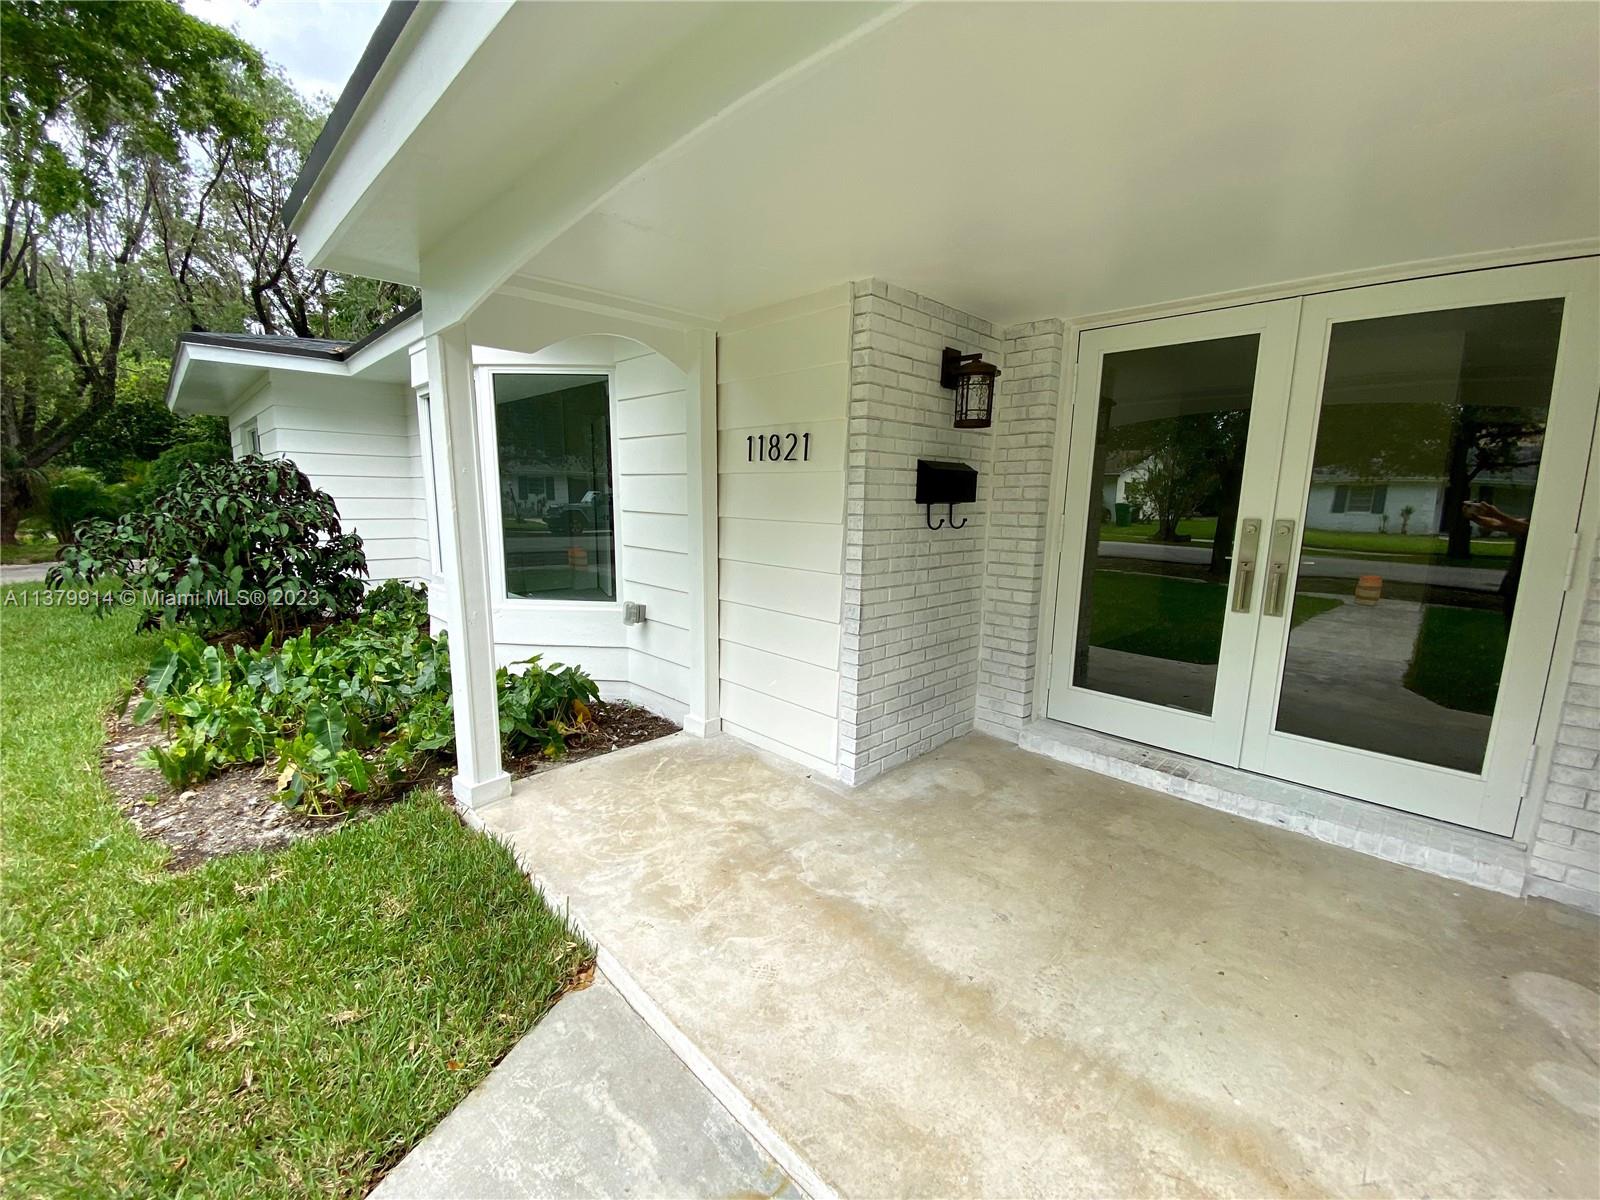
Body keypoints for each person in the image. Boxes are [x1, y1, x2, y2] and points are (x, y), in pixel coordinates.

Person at [1461, 500, 1530, 626]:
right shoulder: (1527, 521)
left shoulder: (1538, 527)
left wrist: (1496, 514)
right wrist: (1475, 518)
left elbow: (1526, 528)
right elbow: (1498, 524)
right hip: (1514, 583)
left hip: (1527, 586)